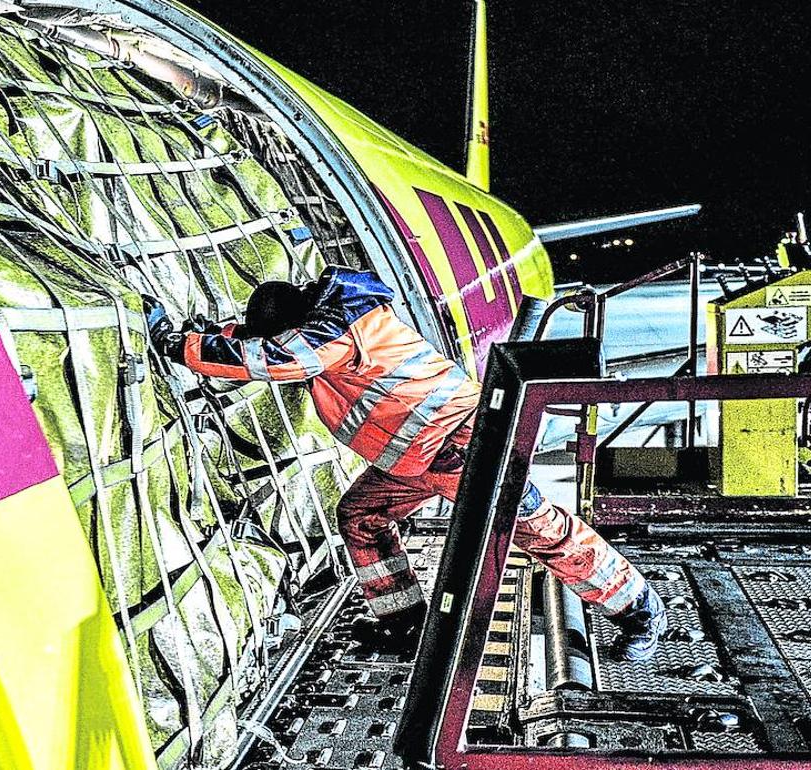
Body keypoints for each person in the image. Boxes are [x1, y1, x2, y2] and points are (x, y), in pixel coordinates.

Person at [143, 265, 667, 661]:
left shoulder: (336, 331)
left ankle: (639, 609)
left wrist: (175, 342)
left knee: (539, 531)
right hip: (419, 457)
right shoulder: (327, 315)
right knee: (362, 517)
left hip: (467, 445)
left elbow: (278, 358)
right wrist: (213, 336)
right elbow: (265, 343)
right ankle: (407, 624)